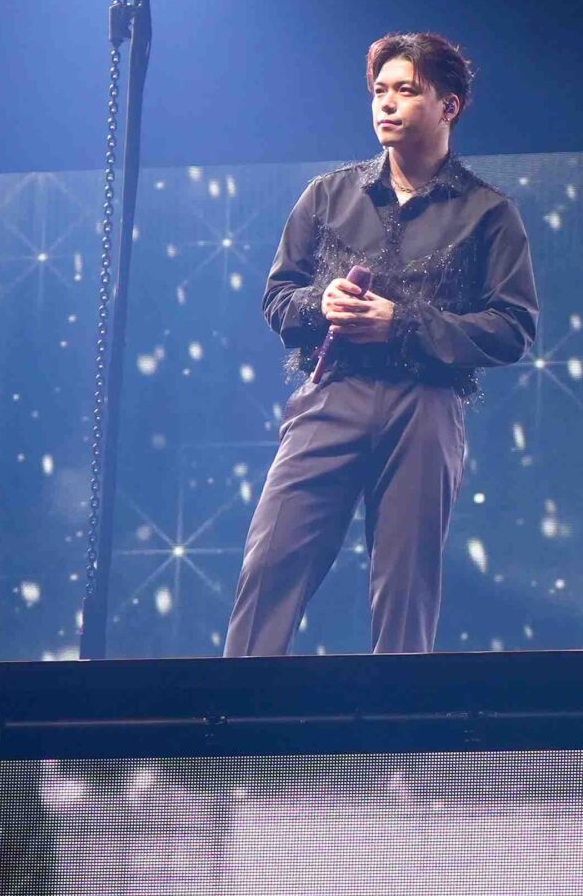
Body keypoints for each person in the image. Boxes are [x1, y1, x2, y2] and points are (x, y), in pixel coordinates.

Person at [226, 32, 539, 656]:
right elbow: (277, 300)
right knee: (270, 565)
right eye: (379, 91)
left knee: (405, 589)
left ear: (448, 106)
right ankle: (234, 709)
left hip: (426, 406)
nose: (386, 104)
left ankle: (399, 721)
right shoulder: (327, 195)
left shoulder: (488, 212)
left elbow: (513, 329)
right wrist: (322, 303)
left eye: (406, 90)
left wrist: (403, 322)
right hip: (330, 395)